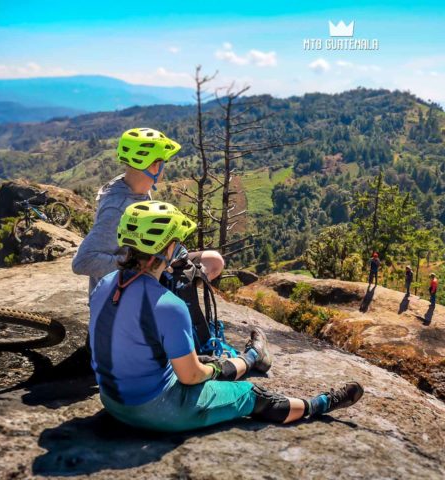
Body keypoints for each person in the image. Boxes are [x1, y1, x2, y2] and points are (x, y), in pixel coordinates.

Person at [89, 200, 364, 432]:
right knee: (253, 395)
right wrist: (215, 371)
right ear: (167, 248)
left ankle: (252, 358)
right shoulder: (167, 305)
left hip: (112, 400)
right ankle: (320, 404)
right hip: (154, 410)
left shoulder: (106, 283)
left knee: (206, 363)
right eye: (177, 241)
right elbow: (191, 377)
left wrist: (211, 368)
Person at [72, 127, 225, 296]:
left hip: (153, 261)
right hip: (127, 285)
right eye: (163, 162)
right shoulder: (118, 207)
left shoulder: (133, 187)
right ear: (155, 165)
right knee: (203, 269)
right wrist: (139, 266)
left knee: (213, 260)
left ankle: (169, 295)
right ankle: (166, 303)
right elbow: (83, 261)